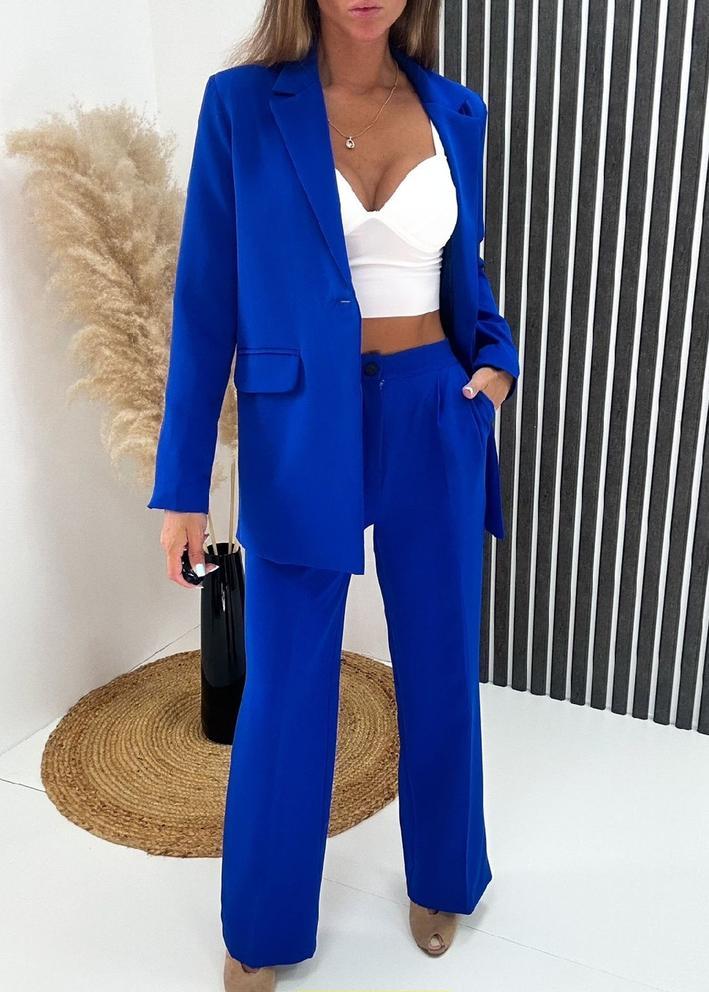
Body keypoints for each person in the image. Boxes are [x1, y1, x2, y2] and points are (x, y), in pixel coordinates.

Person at [148, 1, 520, 989]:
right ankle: (263, 923)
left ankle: (445, 875)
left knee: (441, 660)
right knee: (285, 686)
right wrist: (183, 485)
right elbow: (203, 302)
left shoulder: (455, 110)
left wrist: (494, 362)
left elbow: (464, 268)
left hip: (433, 408)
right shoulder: (241, 106)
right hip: (300, 426)